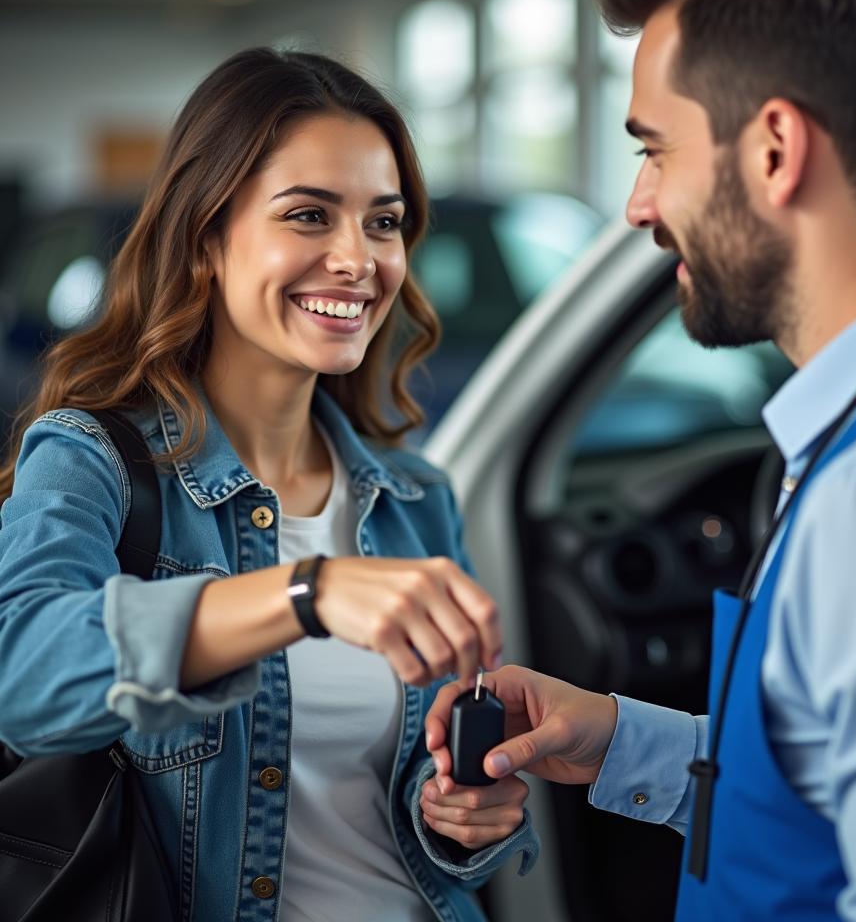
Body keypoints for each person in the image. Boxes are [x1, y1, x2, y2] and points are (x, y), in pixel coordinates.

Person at [426, 0, 856, 918]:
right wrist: (619, 740)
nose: (638, 205)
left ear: (775, 149)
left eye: (655, 150)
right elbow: (839, 782)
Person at [0, 48, 537, 922]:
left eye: (384, 221)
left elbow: (425, 817)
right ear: (208, 236)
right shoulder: (87, 458)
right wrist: (304, 592)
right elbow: (22, 676)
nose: (358, 260)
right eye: (309, 216)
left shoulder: (413, 499)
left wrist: (461, 820)